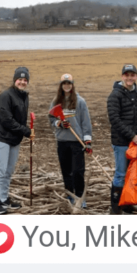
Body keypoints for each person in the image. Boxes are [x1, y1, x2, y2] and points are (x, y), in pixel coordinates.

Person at [0, 66, 31, 215]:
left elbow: (20, 118)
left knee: (8, 171)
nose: (22, 82)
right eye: (20, 79)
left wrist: (25, 130)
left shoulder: (23, 96)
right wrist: (26, 131)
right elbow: (7, 120)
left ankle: (3, 198)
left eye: (25, 80)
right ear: (15, 80)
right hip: (0, 139)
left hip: (14, 139)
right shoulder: (6, 96)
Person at [48, 73, 92, 210]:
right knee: (66, 171)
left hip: (76, 141)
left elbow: (86, 122)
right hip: (62, 141)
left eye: (69, 83)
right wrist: (59, 124)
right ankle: (70, 195)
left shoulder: (80, 101)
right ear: (61, 85)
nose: (66, 85)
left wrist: (87, 141)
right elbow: (51, 119)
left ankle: (80, 197)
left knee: (78, 171)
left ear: (72, 84)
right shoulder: (56, 101)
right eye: (64, 83)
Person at [106, 63, 137, 214]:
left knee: (132, 175)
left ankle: (128, 203)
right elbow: (114, 119)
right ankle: (115, 209)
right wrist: (132, 135)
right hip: (121, 142)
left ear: (136, 76)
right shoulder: (115, 95)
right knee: (121, 174)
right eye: (126, 75)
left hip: (135, 143)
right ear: (122, 76)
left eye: (132, 75)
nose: (129, 78)